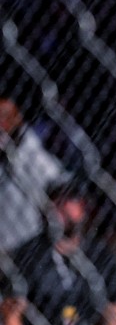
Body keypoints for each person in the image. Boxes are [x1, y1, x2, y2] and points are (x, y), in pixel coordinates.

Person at [0, 179, 116, 325]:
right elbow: (12, 316)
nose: (60, 207)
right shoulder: (26, 256)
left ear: (84, 207)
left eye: (71, 199)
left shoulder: (101, 256)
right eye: (55, 200)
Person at [0, 94, 68, 258]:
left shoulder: (33, 150)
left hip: (33, 241)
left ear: (17, 119)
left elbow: (57, 183)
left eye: (4, 117)